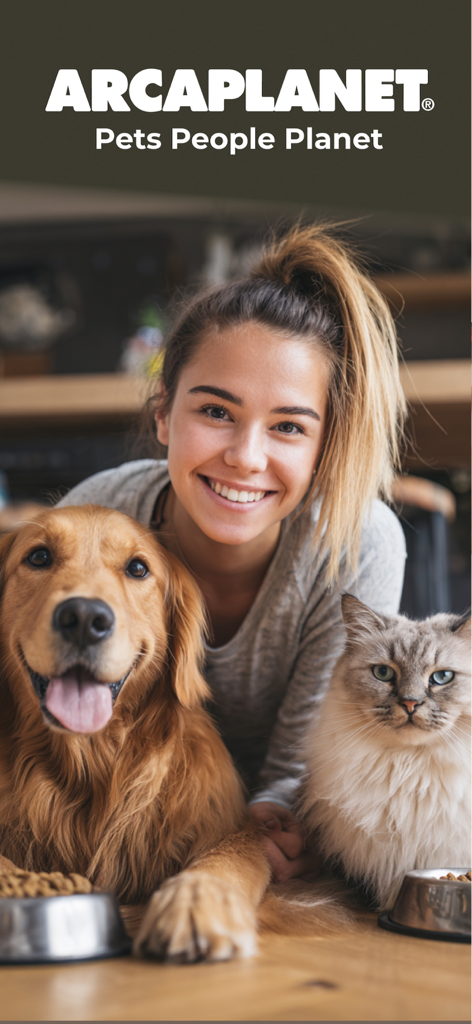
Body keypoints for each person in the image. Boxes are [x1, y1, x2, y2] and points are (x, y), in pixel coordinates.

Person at [57, 223, 407, 882]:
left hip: (274, 844)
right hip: (124, 836)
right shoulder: (94, 516)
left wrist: (253, 829)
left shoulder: (357, 544)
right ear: (163, 413)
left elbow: (302, 768)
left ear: (323, 444)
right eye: (216, 412)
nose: (246, 457)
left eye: (287, 428)